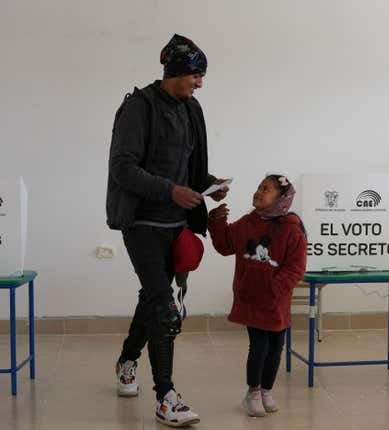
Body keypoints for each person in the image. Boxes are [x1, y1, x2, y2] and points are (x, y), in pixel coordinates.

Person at [106, 33, 228, 427]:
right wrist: (170, 191)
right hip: (141, 223)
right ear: (176, 71)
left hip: (177, 226)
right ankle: (166, 397)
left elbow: (187, 167)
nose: (200, 83)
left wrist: (208, 183)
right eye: (196, 75)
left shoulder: (191, 109)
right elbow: (123, 168)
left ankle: (127, 359)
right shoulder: (138, 108)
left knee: (152, 299)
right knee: (165, 310)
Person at [208, 174, 307, 417]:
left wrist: (274, 287)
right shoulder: (247, 223)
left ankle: (265, 390)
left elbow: (296, 267)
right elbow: (225, 246)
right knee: (259, 346)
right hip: (252, 299)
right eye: (259, 187)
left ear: (282, 199)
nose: (259, 192)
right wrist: (217, 223)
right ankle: (252, 392)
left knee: (276, 347)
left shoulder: (292, 228)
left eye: (267, 190)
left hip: (276, 301)